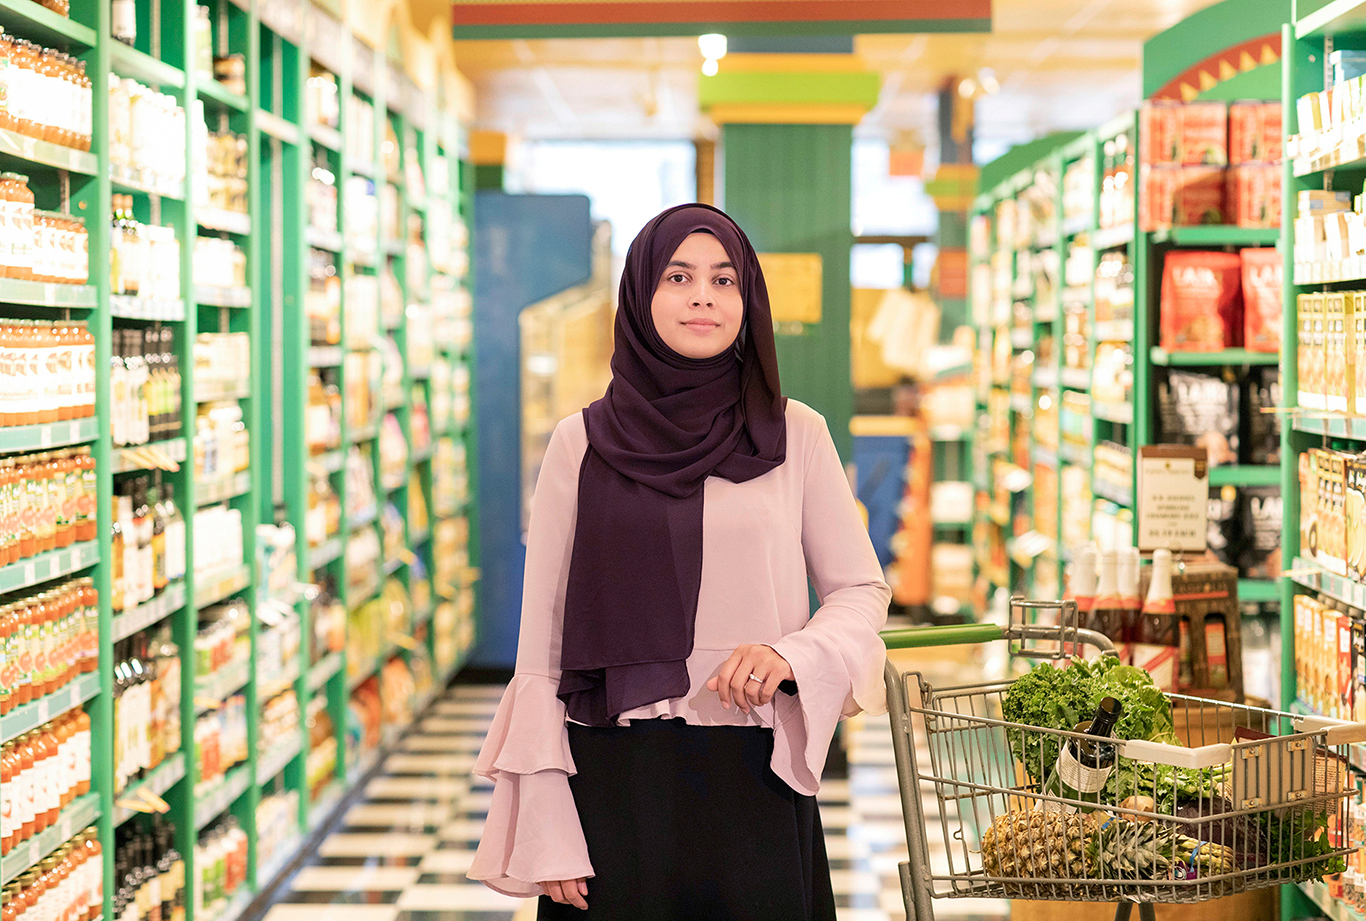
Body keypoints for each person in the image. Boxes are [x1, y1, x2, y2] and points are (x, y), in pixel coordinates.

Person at [468, 203, 891, 920]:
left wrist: (795, 652)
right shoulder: (581, 444)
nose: (704, 295)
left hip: (753, 775)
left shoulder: (796, 434)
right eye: (679, 276)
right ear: (640, 295)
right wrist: (546, 821)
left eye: (725, 280)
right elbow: (540, 651)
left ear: (748, 301)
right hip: (613, 780)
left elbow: (858, 588)